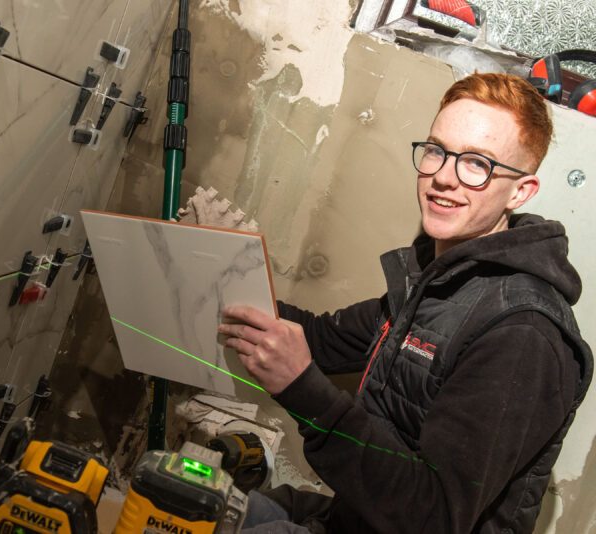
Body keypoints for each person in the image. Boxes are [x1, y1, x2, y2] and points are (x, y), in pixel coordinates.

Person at [217, 73, 593, 534]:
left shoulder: (522, 335)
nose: (443, 177)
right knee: (209, 506)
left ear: (520, 191)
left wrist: (303, 392)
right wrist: (225, 273)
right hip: (358, 518)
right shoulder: (436, 281)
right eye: (436, 150)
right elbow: (319, 338)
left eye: (477, 164)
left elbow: (432, 517)